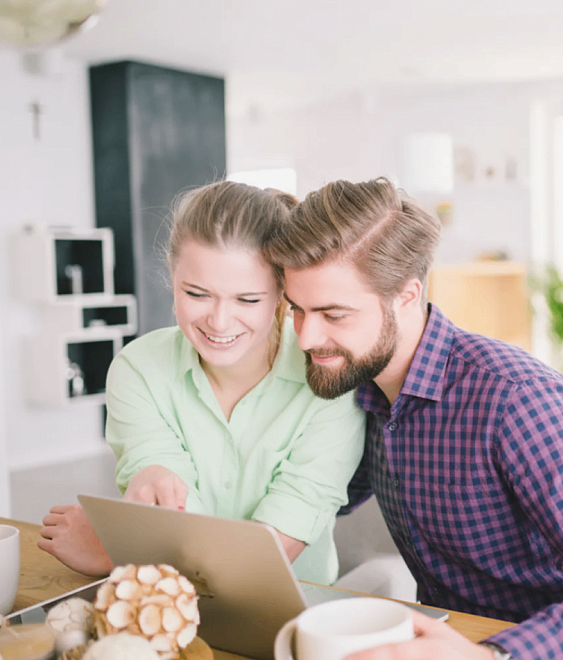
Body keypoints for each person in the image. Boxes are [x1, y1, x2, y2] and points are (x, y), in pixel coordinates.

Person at [264, 178, 563, 660]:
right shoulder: (360, 393)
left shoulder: (516, 400)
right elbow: (312, 497)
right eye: (297, 310)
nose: (307, 338)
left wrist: (493, 655)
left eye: (333, 315)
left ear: (406, 296)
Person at [38, 181, 366, 586]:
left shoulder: (327, 377)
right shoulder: (138, 369)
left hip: (296, 610)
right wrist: (151, 482)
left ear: (283, 294)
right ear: (171, 277)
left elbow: (265, 558)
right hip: (165, 601)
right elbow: (172, 524)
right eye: (197, 294)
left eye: (248, 299)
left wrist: (114, 554)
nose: (220, 322)